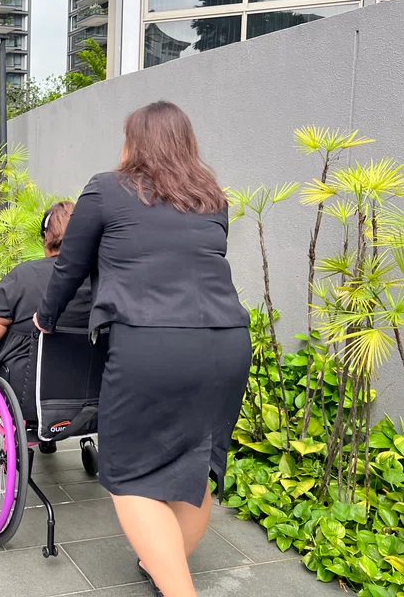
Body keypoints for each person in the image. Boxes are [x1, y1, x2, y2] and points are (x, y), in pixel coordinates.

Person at [34, 102, 251, 597]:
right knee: (196, 464)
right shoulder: (210, 199)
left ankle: (177, 586)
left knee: (129, 473)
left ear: (133, 142)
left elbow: (68, 267)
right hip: (228, 346)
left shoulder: (106, 189)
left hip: (150, 344)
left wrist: (46, 318)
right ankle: (161, 563)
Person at [0, 201, 92, 448]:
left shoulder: (24, 277)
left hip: (26, 393)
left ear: (46, 237)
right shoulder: (104, 278)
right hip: (91, 395)